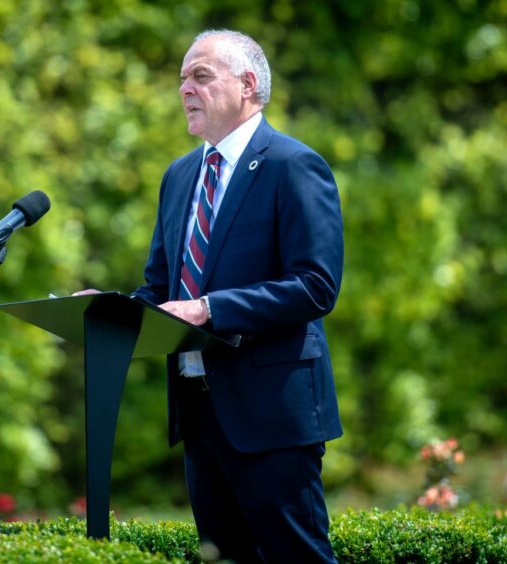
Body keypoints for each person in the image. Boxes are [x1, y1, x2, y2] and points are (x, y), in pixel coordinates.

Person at [130, 29, 345, 563]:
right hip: (199, 413)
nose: (185, 89)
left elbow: (316, 286)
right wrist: (108, 308)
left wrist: (211, 310)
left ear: (248, 84)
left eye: (201, 76)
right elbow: (160, 288)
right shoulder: (179, 176)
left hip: (271, 415)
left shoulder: (293, 166)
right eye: (182, 78)